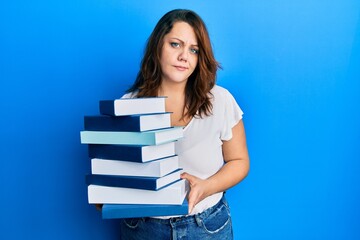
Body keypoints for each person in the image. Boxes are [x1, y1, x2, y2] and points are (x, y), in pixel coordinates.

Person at [120, 9, 250, 240]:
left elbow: (239, 161)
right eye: (175, 44)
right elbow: (115, 169)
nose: (184, 57)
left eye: (194, 50)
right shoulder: (127, 106)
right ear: (158, 45)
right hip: (143, 227)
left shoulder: (220, 101)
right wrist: (105, 196)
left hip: (206, 225)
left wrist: (206, 187)